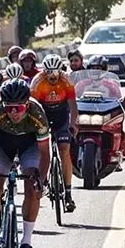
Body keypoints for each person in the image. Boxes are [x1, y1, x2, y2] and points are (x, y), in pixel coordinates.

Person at [0, 77, 52, 248]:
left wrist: (41, 182)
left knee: (32, 186)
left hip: (30, 145)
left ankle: (26, 242)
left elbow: (45, 154)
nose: (13, 113)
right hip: (3, 145)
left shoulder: (37, 113)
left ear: (26, 105)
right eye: (9, 108)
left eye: (18, 108)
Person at [30, 54, 78, 215]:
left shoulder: (66, 79)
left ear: (60, 70)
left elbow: (72, 105)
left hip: (61, 115)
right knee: (43, 149)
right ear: (44, 71)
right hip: (42, 113)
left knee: (64, 148)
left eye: (55, 72)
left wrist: (72, 124)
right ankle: (43, 181)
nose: (52, 75)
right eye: (48, 72)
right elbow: (33, 107)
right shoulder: (37, 81)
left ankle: (69, 193)